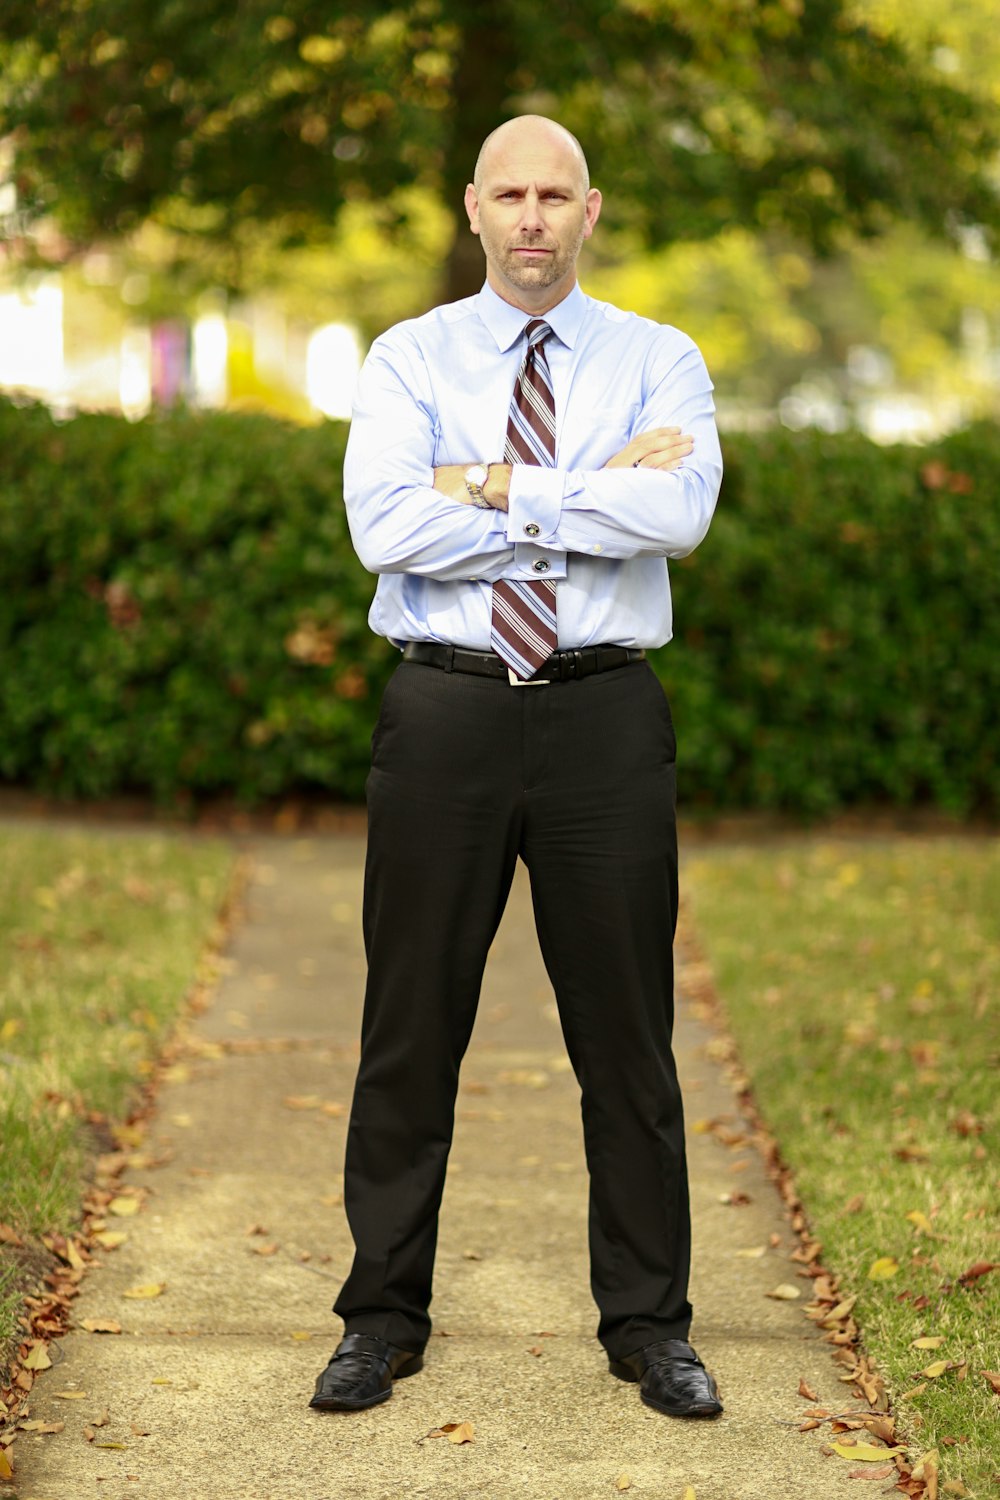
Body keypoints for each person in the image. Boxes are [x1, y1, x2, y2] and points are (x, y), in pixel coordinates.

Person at [310, 114, 724, 1421]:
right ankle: (380, 1318)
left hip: (606, 720)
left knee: (630, 1043)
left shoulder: (661, 357)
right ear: (474, 208)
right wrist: (585, 488)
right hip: (447, 717)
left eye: (558, 195)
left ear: (590, 210)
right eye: (513, 195)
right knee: (408, 1032)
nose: (535, 217)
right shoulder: (408, 355)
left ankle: (651, 1325)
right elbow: (385, 523)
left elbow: (680, 513)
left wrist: (485, 489)